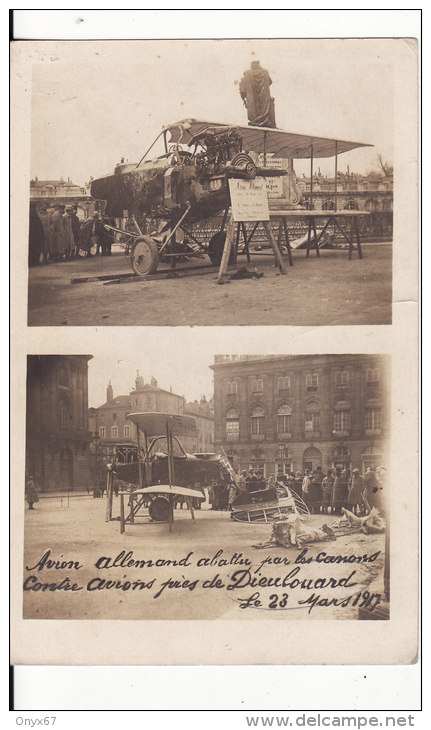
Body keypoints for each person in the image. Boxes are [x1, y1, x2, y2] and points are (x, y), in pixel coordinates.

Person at [239, 60, 276, 128]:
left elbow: (242, 90)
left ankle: (256, 122)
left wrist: (243, 99)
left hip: (252, 103)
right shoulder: (265, 72)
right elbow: (270, 82)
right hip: (264, 104)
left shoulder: (247, 73)